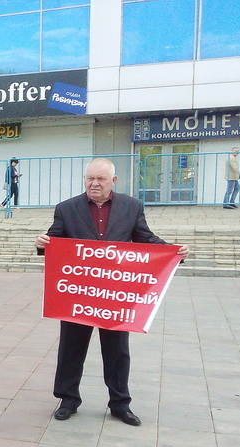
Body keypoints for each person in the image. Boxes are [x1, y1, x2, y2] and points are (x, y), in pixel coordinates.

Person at [35, 158, 189, 427]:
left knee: (117, 351)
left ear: (113, 181)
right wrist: (42, 243)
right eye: (90, 178)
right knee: (71, 348)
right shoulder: (66, 209)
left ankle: (120, 404)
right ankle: (67, 400)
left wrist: (173, 252)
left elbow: (145, 238)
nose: (94, 183)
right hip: (78, 294)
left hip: (114, 296)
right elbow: (54, 240)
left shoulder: (131, 207)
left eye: (101, 179)